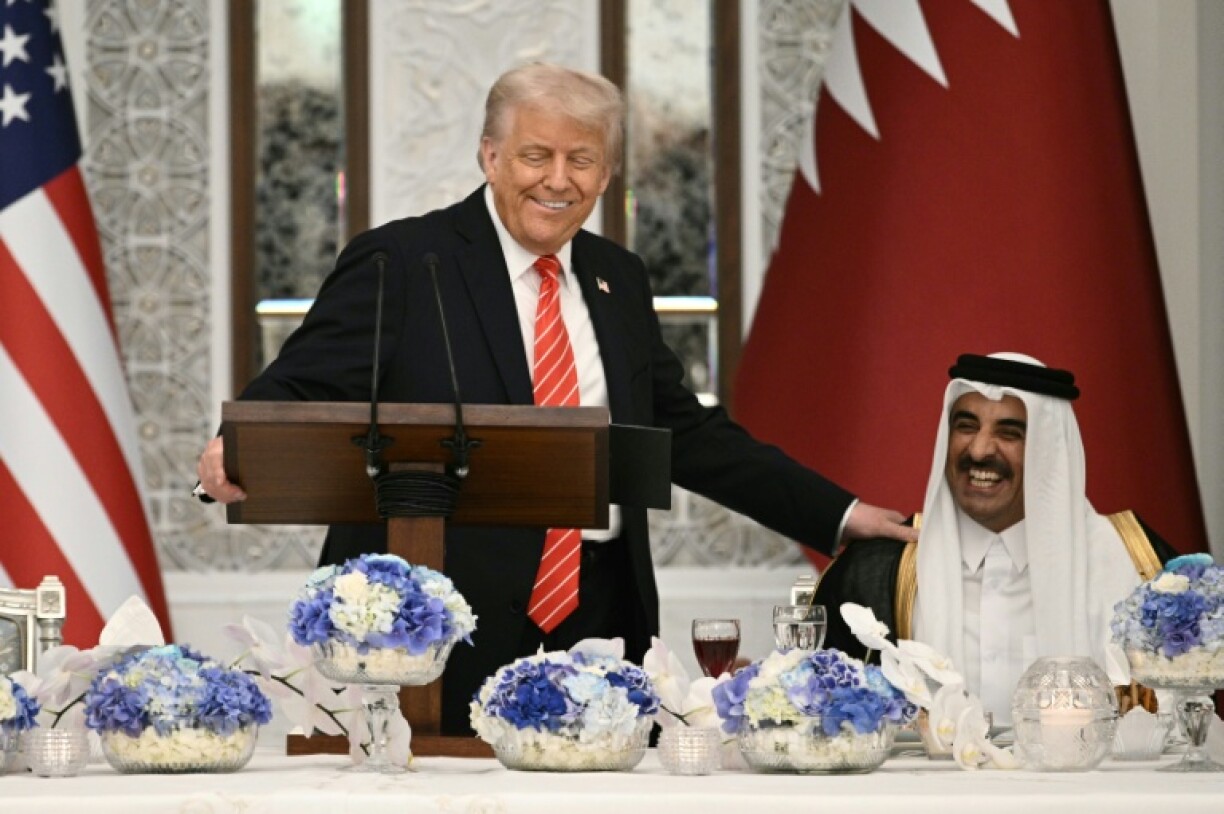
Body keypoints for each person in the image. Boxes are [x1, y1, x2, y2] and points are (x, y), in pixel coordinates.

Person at [196, 62, 917, 735]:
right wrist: (239, 444)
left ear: (607, 173)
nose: (558, 180)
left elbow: (683, 431)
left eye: (582, 160)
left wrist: (841, 515)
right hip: (434, 621)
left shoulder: (618, 276)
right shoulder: (404, 263)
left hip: (597, 614)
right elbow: (303, 381)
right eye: (536, 155)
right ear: (491, 156)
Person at [814, 352, 1177, 724]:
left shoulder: (1134, 565)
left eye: (1009, 433)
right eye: (966, 426)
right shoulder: (875, 573)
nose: (980, 450)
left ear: (1049, 453)